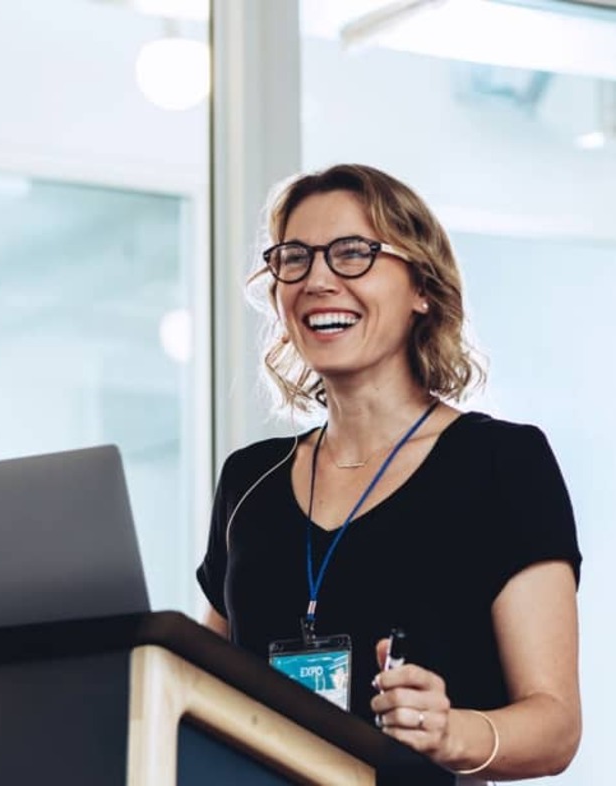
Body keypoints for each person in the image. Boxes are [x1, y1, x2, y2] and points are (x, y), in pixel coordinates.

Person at [196, 164, 581, 781]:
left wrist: (451, 731)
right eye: (294, 258)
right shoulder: (249, 481)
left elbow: (556, 727)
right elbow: (197, 690)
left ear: (421, 288)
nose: (318, 279)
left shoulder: (502, 463)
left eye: (353, 253)